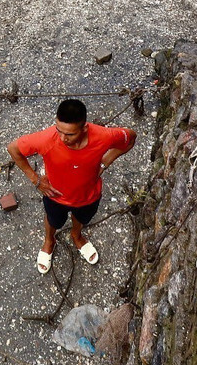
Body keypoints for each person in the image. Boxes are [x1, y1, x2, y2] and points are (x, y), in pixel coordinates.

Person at [7, 99, 136, 274]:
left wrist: (105, 163)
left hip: (88, 196)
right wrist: (36, 180)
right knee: (53, 220)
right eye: (59, 130)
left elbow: (130, 137)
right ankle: (49, 241)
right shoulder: (47, 139)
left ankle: (76, 235)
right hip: (55, 196)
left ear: (84, 128)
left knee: (81, 219)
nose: (62, 138)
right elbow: (13, 149)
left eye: (69, 134)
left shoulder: (104, 137)